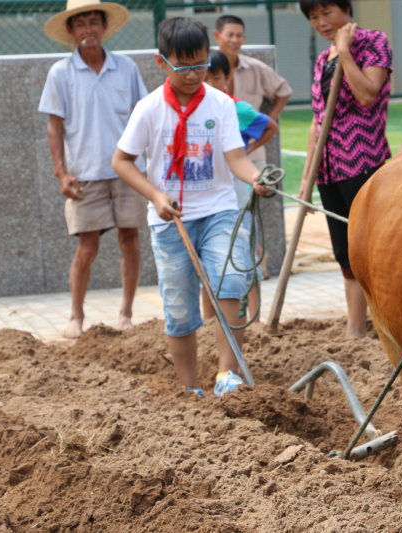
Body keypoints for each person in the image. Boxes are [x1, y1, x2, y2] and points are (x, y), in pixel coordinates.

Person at [112, 17, 267, 398]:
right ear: (161, 62)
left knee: (231, 282)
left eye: (200, 65)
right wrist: (155, 195)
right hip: (170, 221)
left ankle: (227, 375)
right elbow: (121, 161)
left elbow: (235, 158)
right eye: (183, 67)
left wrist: (254, 178)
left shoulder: (221, 104)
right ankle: (189, 387)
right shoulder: (149, 109)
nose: (194, 75)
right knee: (180, 310)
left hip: (218, 210)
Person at [39, 0, 148, 339]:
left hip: (127, 169)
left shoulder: (126, 67)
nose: (88, 29)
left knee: (129, 239)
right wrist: (61, 172)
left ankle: (126, 314)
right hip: (84, 172)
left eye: (94, 22)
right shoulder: (60, 72)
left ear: (104, 27)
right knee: (87, 246)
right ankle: (76, 316)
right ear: (71, 31)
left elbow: (143, 116)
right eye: (81, 23)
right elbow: (54, 127)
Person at [298, 0, 393, 338]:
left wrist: (345, 52)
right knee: (345, 256)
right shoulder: (324, 59)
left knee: (374, 252)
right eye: (313, 17)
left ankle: (391, 326)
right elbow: (316, 120)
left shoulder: (373, 42)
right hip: (328, 169)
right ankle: (355, 330)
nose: (321, 22)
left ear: (346, 9)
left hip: (363, 163)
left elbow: (367, 94)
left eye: (326, 12)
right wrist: (307, 177)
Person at [201, 49, 279, 322]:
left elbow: (271, 127)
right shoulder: (194, 111)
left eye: (217, 77)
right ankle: (209, 323)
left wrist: (247, 151)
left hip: (236, 197)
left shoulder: (237, 108)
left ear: (228, 77)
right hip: (205, 198)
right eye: (205, 77)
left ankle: (254, 321)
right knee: (206, 264)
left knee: (245, 257)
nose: (211, 84)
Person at [214, 14, 293, 277]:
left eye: (239, 35)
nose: (234, 40)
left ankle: (257, 260)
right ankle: (240, 261)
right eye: (229, 35)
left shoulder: (256, 70)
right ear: (218, 37)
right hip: (215, 164)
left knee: (250, 206)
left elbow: (283, 91)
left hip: (248, 153)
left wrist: (266, 123)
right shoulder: (207, 65)